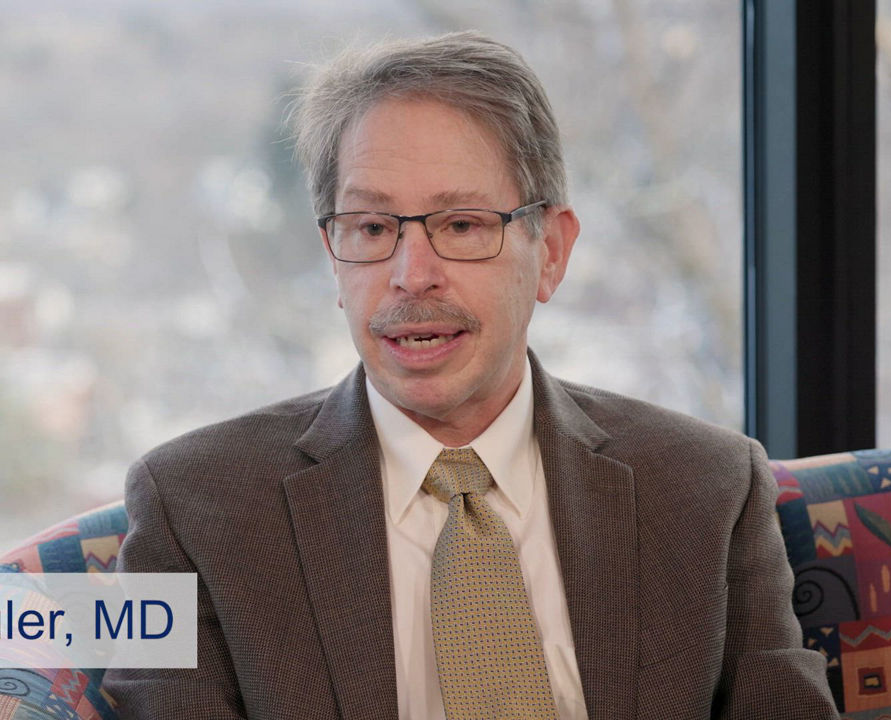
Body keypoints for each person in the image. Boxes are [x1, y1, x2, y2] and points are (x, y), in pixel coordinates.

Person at [103, 31, 837, 720]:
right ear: (333, 257)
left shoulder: (708, 488)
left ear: (551, 251)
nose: (411, 275)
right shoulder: (193, 506)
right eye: (371, 228)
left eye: (460, 225)